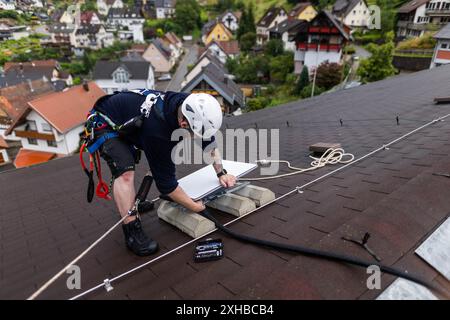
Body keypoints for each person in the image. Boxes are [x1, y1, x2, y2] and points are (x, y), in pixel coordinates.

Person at [87, 90, 236, 256]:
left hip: (129, 117)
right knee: (125, 171)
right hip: (105, 121)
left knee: (159, 162)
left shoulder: (190, 106)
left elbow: (208, 142)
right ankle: (131, 231)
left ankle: (134, 202)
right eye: (194, 134)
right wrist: (195, 206)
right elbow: (167, 185)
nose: (196, 138)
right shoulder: (159, 132)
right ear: (183, 124)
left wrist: (221, 172)